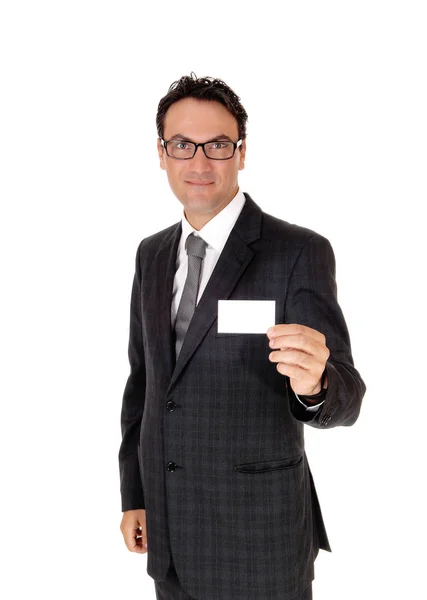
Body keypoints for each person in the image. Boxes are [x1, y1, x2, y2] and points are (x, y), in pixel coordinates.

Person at [118, 73, 366, 600]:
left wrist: (316, 385)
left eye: (218, 145)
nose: (200, 163)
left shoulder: (298, 252)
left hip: (260, 542)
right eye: (182, 145)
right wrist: (134, 495)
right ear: (162, 154)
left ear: (242, 152)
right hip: (169, 537)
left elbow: (347, 395)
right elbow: (144, 384)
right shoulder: (152, 254)